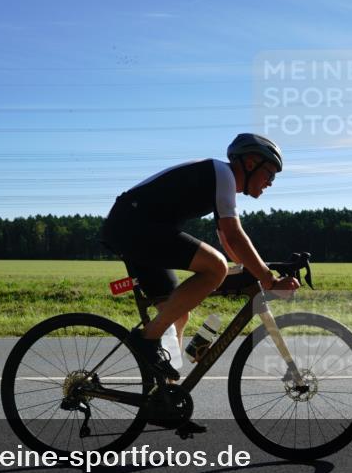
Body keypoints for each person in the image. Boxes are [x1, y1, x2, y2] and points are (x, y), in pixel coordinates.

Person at [101, 133, 300, 395]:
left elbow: (230, 245)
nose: (270, 183)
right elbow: (234, 236)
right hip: (133, 226)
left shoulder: (220, 181)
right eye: (270, 175)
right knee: (215, 266)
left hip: (135, 228)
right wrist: (268, 279)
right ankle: (146, 340)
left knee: (176, 313)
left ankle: (165, 397)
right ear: (251, 163)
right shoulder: (223, 174)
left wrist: (257, 270)